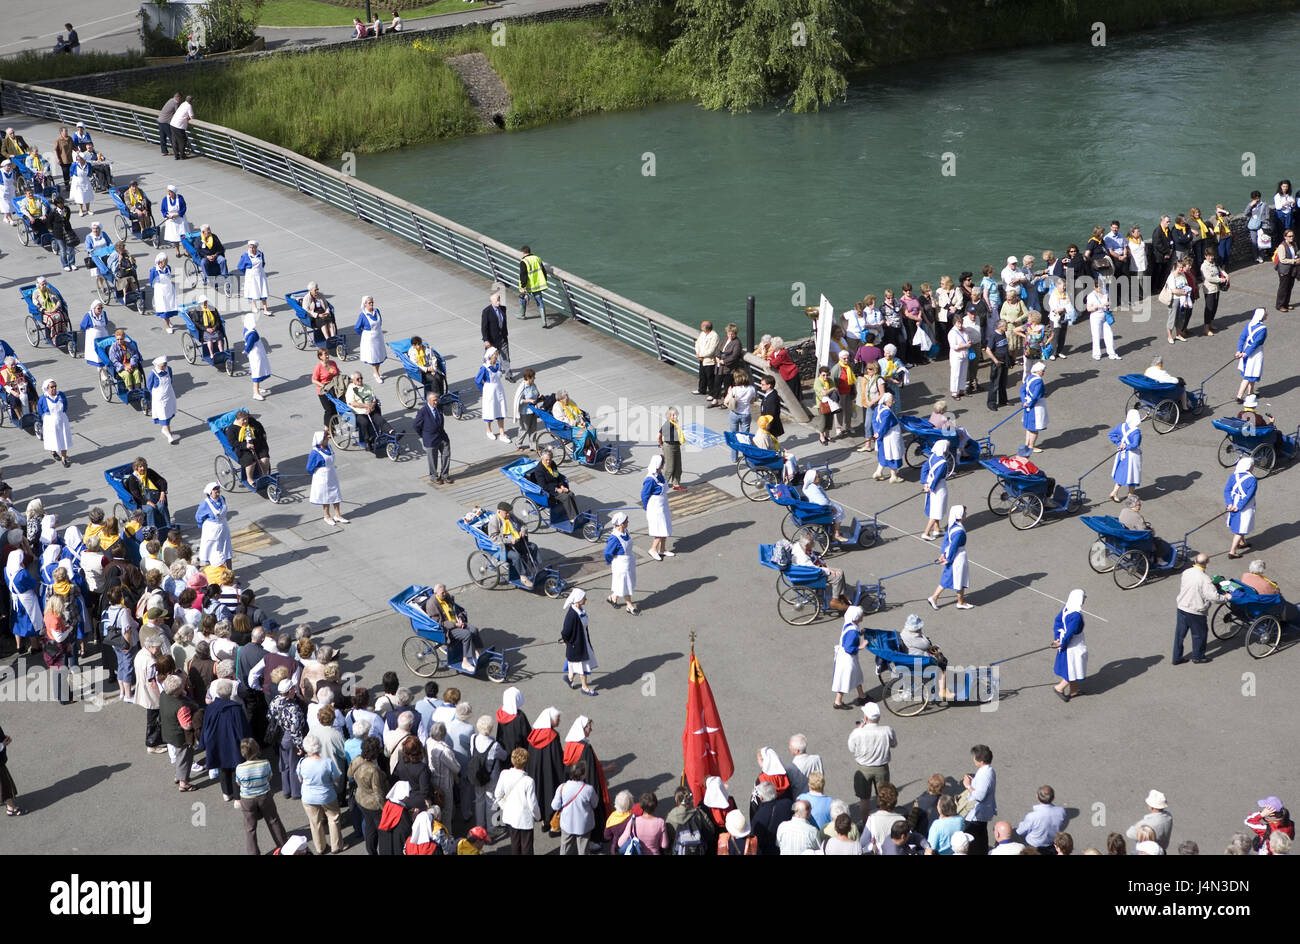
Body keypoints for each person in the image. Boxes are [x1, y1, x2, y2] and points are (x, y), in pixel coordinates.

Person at [234, 737, 289, 855]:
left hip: (247, 799)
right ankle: (283, 847)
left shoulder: (240, 768)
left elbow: (239, 783)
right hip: (264, 795)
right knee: (273, 821)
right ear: (256, 749)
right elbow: (269, 777)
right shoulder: (265, 763)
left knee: (250, 828)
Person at [1173, 552, 1229, 665]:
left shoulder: (1186, 572)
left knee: (1180, 634)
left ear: (1195, 562)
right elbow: (1214, 598)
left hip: (1182, 607)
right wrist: (1226, 597)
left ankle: (1176, 657)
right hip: (1196, 611)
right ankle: (1197, 657)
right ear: (1206, 564)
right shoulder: (1205, 579)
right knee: (1199, 634)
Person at [848, 702, 895, 822]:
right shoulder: (887, 730)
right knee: (884, 797)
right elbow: (894, 744)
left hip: (863, 768)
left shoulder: (857, 733)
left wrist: (858, 729)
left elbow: (851, 748)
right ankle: (882, 822)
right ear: (878, 717)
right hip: (882, 768)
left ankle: (865, 824)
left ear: (865, 717)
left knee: (864, 799)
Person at [297, 733, 344, 854]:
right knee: (333, 819)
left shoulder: (302, 762)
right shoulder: (327, 762)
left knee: (315, 822)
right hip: (327, 795)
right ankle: (336, 846)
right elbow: (336, 778)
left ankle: (320, 848)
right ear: (319, 746)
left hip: (308, 797)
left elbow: (300, 778)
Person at [525, 707, 565, 835]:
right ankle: (553, 825)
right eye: (557, 718)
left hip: (536, 772)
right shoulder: (553, 736)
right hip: (550, 772)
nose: (559, 721)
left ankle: (543, 821)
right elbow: (557, 757)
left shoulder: (534, 735)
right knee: (552, 794)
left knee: (540, 794)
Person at [927, 505, 972, 610]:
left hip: (951, 554)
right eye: (964, 513)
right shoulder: (959, 531)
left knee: (948, 577)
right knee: (959, 577)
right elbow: (954, 546)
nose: (966, 514)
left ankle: (935, 597)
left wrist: (943, 554)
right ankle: (959, 602)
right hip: (958, 556)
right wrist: (949, 559)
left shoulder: (952, 525)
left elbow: (946, 541)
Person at [900, 612, 952, 699]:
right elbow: (927, 644)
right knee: (942, 664)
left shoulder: (904, 633)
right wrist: (922, 635)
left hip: (910, 656)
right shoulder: (915, 637)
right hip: (918, 661)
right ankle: (942, 691)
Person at [487, 501, 538, 588]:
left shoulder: (511, 516)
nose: (508, 515)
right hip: (504, 547)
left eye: (508, 513)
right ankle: (523, 577)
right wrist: (509, 540)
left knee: (533, 547)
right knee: (516, 556)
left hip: (518, 541)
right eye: (506, 513)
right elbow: (494, 538)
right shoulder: (494, 521)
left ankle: (535, 567)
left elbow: (523, 524)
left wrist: (522, 531)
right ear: (499, 511)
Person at [344, 371, 398, 454]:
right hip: (358, 412)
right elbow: (352, 403)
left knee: (379, 419)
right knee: (364, 422)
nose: (360, 380)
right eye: (358, 379)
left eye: (361, 378)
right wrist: (365, 406)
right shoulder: (351, 389)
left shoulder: (367, 387)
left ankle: (392, 433)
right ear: (353, 380)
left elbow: (374, 399)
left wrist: (371, 406)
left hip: (370, 409)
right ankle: (367, 441)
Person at [793, 533, 849, 610]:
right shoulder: (803, 559)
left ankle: (841, 595)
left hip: (814, 568)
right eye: (812, 543)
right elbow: (814, 569)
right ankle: (835, 601)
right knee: (838, 576)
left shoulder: (798, 545)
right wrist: (829, 570)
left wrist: (827, 567)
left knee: (840, 571)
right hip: (813, 575)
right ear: (807, 545)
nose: (814, 544)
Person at [1051, 589, 1087, 702]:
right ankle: (1059, 688)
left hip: (1068, 642)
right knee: (1073, 669)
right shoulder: (1076, 615)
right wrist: (1063, 644)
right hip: (1074, 646)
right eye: (1083, 597)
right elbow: (1070, 633)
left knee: (1073, 667)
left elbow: (1058, 621)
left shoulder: (1067, 607)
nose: (1085, 599)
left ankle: (1074, 691)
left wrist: (1057, 638)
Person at [560, 589, 598, 696]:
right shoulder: (572, 614)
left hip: (582, 642)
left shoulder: (580, 609)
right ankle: (584, 688)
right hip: (577, 646)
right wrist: (566, 641)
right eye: (584, 598)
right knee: (583, 667)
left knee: (577, 665)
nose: (586, 599)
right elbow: (565, 631)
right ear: (578, 600)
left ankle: (569, 678)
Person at [962, 744, 997, 855]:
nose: (973, 759)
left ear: (981, 761)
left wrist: (968, 785)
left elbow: (980, 796)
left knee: (973, 837)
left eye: (975, 757)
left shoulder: (984, 775)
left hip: (977, 814)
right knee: (981, 834)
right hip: (982, 812)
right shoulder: (988, 770)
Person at [307, 429, 346, 526]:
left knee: (335, 494)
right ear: (320, 440)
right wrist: (318, 473)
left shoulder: (329, 447)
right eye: (326, 437)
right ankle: (327, 516)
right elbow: (309, 468)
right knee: (325, 496)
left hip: (331, 474)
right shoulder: (315, 453)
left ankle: (337, 515)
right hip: (322, 477)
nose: (328, 437)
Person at [225, 410, 272, 491]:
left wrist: (257, 434)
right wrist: (245, 445)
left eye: (246, 419)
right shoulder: (231, 429)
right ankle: (250, 479)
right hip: (243, 449)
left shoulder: (252, 422)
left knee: (265, 459)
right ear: (237, 419)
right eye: (243, 420)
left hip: (257, 445)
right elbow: (233, 442)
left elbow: (260, 429)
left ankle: (262, 476)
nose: (246, 421)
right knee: (251, 461)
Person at [832, 605, 867, 709]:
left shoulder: (849, 624)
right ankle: (838, 702)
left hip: (845, 657)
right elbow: (849, 648)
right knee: (846, 679)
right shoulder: (852, 631)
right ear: (856, 618)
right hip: (847, 659)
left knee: (856, 676)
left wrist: (860, 633)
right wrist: (861, 646)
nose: (863, 616)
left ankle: (862, 696)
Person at [413, 392, 452, 485]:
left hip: (442, 436)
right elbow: (415, 425)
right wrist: (423, 434)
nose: (436, 402)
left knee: (446, 454)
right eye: (434, 400)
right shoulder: (423, 411)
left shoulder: (438, 407)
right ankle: (434, 476)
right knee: (432, 459)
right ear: (428, 401)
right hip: (430, 439)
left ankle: (445, 475)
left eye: (437, 400)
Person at [641, 454, 673, 560]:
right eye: (662, 464)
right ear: (658, 465)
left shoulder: (659, 475)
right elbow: (644, 495)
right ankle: (653, 549)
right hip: (655, 507)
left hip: (663, 505)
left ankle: (662, 549)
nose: (663, 466)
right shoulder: (650, 479)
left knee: (666, 526)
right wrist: (647, 507)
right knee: (660, 529)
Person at [603, 512, 637, 614]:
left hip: (629, 562)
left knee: (622, 584)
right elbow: (607, 553)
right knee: (626, 584)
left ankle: (613, 597)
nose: (628, 522)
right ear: (621, 524)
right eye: (626, 521)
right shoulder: (614, 538)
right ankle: (629, 605)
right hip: (621, 565)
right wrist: (610, 561)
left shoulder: (625, 531)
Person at [1225, 457, 1258, 560]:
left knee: (1239, 525)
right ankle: (1232, 551)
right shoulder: (1252, 479)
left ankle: (1242, 542)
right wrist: (1238, 506)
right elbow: (1248, 496)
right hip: (1244, 506)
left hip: (1233, 502)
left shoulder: (1233, 476)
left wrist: (1229, 504)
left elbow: (1227, 491)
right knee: (1241, 528)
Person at [475, 348, 510, 442]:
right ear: (490, 355)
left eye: (497, 353)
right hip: (489, 391)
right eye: (495, 353)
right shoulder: (484, 367)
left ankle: (502, 434)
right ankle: (489, 431)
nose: (497, 355)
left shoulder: (498, 364)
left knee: (500, 410)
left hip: (499, 389)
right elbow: (477, 381)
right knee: (489, 410)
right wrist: (484, 390)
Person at [124, 458, 170, 530]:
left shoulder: (149, 472)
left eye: (144, 466)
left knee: (161, 506)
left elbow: (162, 481)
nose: (143, 468)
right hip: (142, 501)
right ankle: (152, 531)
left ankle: (168, 527)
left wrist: (162, 492)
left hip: (155, 496)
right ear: (136, 468)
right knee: (150, 509)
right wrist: (147, 502)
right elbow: (136, 496)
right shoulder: (132, 479)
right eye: (140, 467)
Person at [1107, 408, 1142, 502]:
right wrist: (1126, 446)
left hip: (1121, 454)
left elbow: (1111, 434)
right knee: (1133, 474)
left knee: (1121, 472)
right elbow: (1135, 444)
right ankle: (1130, 495)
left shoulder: (1121, 426)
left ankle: (1114, 491)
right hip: (1132, 456)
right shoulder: (1136, 431)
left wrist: (1119, 443)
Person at [195, 483, 232, 568]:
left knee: (227, 550)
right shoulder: (205, 504)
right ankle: (210, 572)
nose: (217, 491)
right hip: (212, 530)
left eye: (218, 488)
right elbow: (198, 517)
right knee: (210, 550)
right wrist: (202, 526)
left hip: (223, 528)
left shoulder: (222, 499)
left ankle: (230, 573)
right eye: (215, 489)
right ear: (210, 492)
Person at [36, 379, 72, 468]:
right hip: (50, 421)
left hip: (61, 419)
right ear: (47, 388)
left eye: (55, 386)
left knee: (64, 438)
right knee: (52, 438)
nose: (54, 388)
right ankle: (53, 451)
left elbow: (65, 406)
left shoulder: (61, 395)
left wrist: (61, 415)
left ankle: (64, 458)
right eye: (52, 387)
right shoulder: (43, 398)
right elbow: (40, 410)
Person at [920, 439, 951, 541]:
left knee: (934, 507)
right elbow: (937, 477)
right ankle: (926, 532)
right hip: (939, 487)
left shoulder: (932, 456)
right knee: (937, 509)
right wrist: (931, 487)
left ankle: (937, 529)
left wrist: (925, 484)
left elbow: (924, 468)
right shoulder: (943, 462)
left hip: (929, 482)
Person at [871, 392, 904, 483]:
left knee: (883, 454)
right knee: (893, 454)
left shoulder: (878, 408)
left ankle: (878, 472)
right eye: (892, 400)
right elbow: (885, 426)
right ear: (886, 402)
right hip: (890, 436)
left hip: (881, 436)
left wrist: (876, 432)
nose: (894, 402)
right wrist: (880, 433)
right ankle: (893, 476)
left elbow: (874, 421)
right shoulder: (887, 412)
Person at [1235, 308, 1267, 403]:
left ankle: (1251, 392)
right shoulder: (1262, 329)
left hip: (1245, 350)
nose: (1266, 316)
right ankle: (1239, 396)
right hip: (1255, 354)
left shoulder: (1249, 324)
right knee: (1249, 375)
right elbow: (1256, 343)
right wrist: (1246, 353)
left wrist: (1239, 350)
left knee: (1251, 373)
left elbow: (1242, 338)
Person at [239, 310, 272, 402]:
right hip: (256, 354)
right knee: (256, 372)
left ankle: (258, 388)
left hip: (255, 353)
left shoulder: (246, 329)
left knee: (257, 370)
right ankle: (256, 392)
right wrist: (246, 351)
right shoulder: (252, 333)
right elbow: (249, 344)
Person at [480, 289, 512, 381]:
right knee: (489, 358)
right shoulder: (486, 311)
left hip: (503, 338)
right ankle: (486, 375)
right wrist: (486, 340)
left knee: (505, 357)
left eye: (499, 299)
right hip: (492, 340)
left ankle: (508, 374)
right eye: (496, 300)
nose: (498, 301)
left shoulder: (503, 308)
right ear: (492, 301)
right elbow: (484, 327)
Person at [146, 356, 178, 445]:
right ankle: (169, 435)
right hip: (159, 398)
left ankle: (165, 429)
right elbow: (149, 386)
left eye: (165, 365)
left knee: (169, 414)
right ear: (158, 365)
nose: (164, 367)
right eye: (163, 365)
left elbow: (171, 380)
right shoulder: (153, 373)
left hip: (169, 395)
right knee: (164, 416)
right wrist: (156, 395)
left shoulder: (169, 369)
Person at [353, 296, 386, 384]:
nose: (371, 304)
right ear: (365, 304)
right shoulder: (363, 315)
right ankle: (376, 374)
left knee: (379, 355)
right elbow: (357, 327)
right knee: (373, 357)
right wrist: (364, 335)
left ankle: (376, 373)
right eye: (369, 303)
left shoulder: (377, 311)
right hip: (370, 339)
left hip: (378, 336)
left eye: (372, 302)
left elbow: (380, 321)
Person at [236, 240, 270, 315]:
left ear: (256, 248)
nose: (251, 249)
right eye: (250, 247)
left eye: (253, 248)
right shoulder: (245, 255)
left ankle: (265, 309)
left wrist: (260, 271)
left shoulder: (260, 254)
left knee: (263, 291)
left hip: (261, 275)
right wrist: (248, 273)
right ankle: (254, 306)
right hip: (251, 276)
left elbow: (263, 263)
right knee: (253, 291)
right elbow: (240, 266)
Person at [517, 245, 549, 324]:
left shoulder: (523, 261)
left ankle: (522, 314)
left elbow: (523, 275)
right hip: (538, 284)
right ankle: (544, 321)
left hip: (528, 285)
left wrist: (523, 286)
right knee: (540, 301)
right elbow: (544, 271)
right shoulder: (537, 258)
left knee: (522, 297)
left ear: (523, 252)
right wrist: (545, 280)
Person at [1021, 361, 1048, 452]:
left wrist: (1024, 401)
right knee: (1035, 427)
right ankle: (1031, 446)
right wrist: (1031, 404)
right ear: (1038, 371)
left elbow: (1022, 391)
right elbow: (1036, 395)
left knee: (1028, 426)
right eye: (1042, 371)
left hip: (1027, 404)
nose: (1043, 372)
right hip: (1036, 406)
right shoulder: (1039, 381)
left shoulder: (1029, 378)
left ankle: (1027, 444)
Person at [149, 252, 179, 334]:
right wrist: (157, 290)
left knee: (169, 306)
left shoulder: (168, 268)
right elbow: (151, 281)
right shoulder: (154, 271)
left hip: (169, 289)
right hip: (160, 291)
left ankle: (168, 320)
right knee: (164, 308)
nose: (167, 261)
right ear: (160, 261)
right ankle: (167, 325)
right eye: (165, 260)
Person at [694, 321, 720, 401]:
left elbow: (711, 350)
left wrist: (701, 355)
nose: (701, 327)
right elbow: (697, 343)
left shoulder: (714, 336)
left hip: (709, 360)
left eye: (702, 326)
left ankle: (712, 393)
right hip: (702, 358)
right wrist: (698, 353)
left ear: (706, 327)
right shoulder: (702, 334)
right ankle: (701, 389)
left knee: (710, 377)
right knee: (702, 375)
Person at [159, 185, 188, 256]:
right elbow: (163, 210)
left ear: (174, 193)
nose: (168, 194)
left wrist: (177, 215)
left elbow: (184, 208)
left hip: (180, 219)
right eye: (168, 192)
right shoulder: (165, 199)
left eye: (170, 192)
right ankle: (177, 250)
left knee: (183, 235)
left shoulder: (180, 198)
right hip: (171, 221)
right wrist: (166, 215)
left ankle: (185, 250)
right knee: (175, 236)